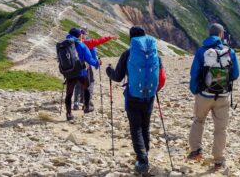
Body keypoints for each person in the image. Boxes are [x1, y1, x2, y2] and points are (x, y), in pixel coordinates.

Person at [106, 26, 166, 174]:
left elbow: (117, 77)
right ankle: (145, 154)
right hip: (149, 96)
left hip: (133, 96)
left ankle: (142, 160)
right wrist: (153, 90)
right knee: (145, 126)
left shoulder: (128, 54)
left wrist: (109, 71)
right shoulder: (155, 54)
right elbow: (162, 77)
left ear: (131, 38)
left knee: (136, 128)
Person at [188, 23, 240, 171]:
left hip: (204, 94)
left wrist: (195, 90)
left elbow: (194, 73)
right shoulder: (230, 51)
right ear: (221, 34)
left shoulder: (202, 51)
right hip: (223, 96)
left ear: (209, 34)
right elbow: (235, 74)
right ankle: (218, 161)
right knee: (220, 129)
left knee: (199, 120)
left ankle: (196, 151)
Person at [72, 27, 118, 110]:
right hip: (85, 67)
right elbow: (98, 41)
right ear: (82, 34)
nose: (86, 35)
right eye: (85, 34)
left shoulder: (72, 42)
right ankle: (87, 101)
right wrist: (96, 62)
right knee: (90, 82)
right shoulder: (86, 43)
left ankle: (76, 103)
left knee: (78, 84)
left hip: (74, 67)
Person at [64, 27, 101, 120]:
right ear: (79, 35)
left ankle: (69, 113)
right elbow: (89, 59)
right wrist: (97, 63)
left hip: (69, 72)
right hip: (81, 72)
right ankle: (86, 107)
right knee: (86, 88)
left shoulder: (64, 44)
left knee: (69, 93)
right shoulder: (81, 45)